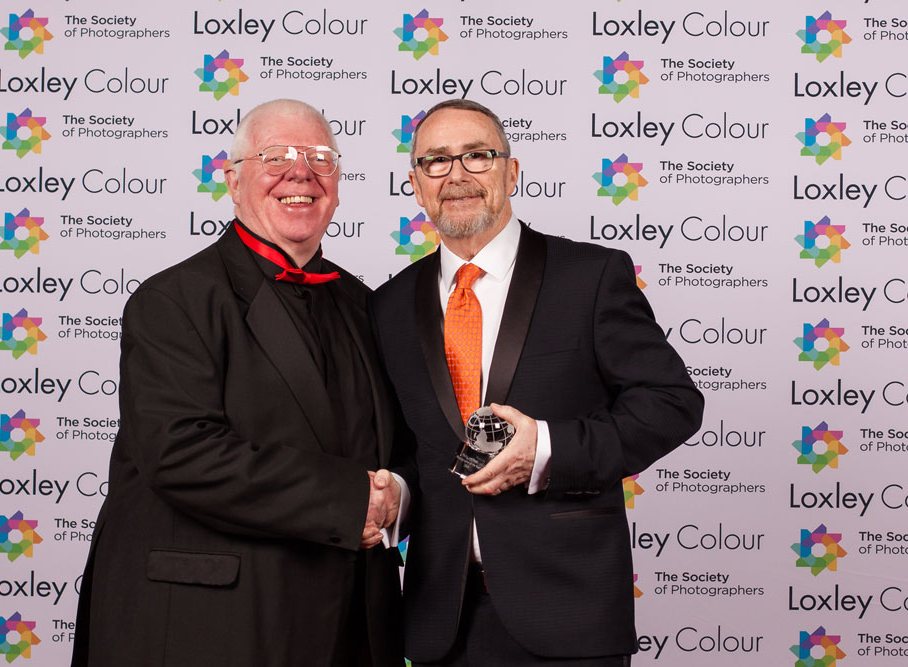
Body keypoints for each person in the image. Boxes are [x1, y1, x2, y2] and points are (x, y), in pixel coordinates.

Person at [371, 99, 704, 666]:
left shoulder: (591, 277)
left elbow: (671, 402)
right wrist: (392, 497)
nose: (457, 175)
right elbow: (407, 446)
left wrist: (548, 449)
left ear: (512, 171)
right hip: (438, 621)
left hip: (567, 612)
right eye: (436, 161)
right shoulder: (389, 305)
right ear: (416, 184)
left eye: (478, 155)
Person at [71, 99, 404, 667]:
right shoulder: (173, 300)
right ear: (232, 179)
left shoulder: (366, 306)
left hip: (349, 628)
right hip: (214, 627)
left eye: (320, 158)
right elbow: (181, 452)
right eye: (276, 157)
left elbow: (395, 448)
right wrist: (352, 500)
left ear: (339, 185)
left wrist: (398, 494)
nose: (301, 172)